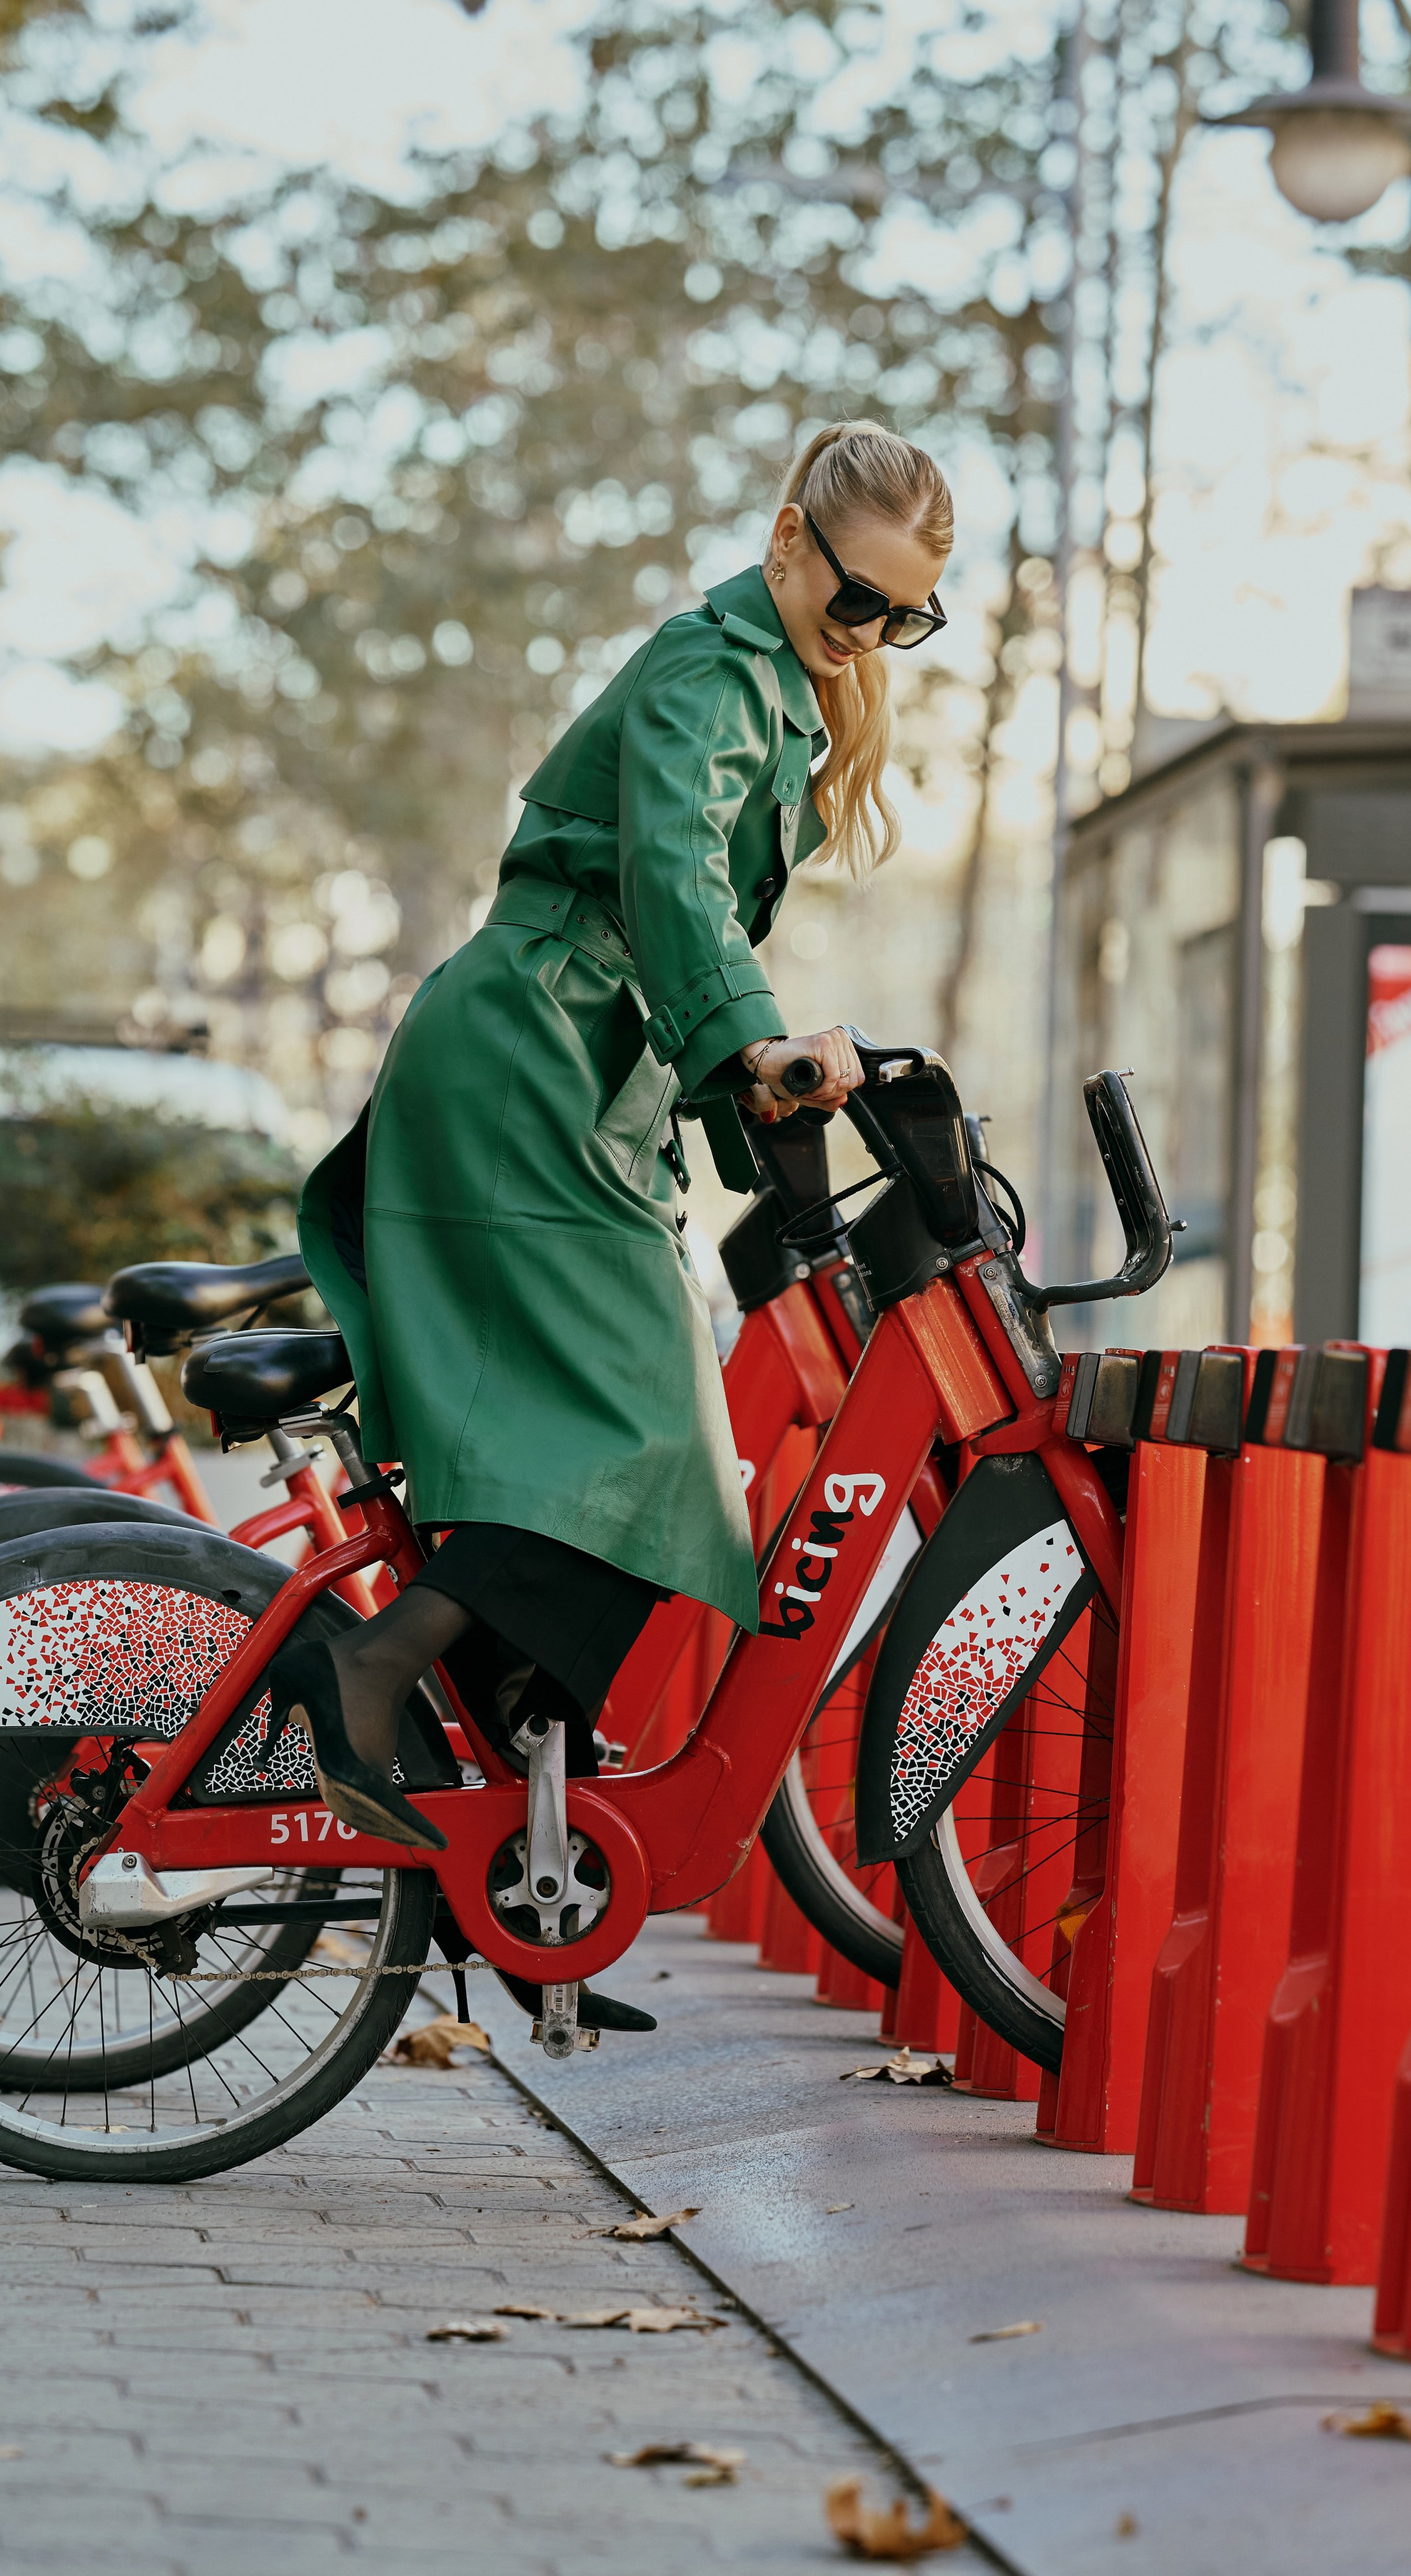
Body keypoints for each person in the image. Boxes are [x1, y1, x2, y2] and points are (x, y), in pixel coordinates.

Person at [285, 419, 953, 2019]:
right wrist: (747, 1042)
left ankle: (517, 1883)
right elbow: (669, 877)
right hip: (525, 1059)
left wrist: (748, 1078)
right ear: (789, 539)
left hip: (573, 1066)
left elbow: (678, 927)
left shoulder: (776, 692)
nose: (867, 637)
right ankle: (364, 1678)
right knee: (648, 1452)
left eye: (904, 620)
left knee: (596, 1460)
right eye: (855, 600)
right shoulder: (707, 670)